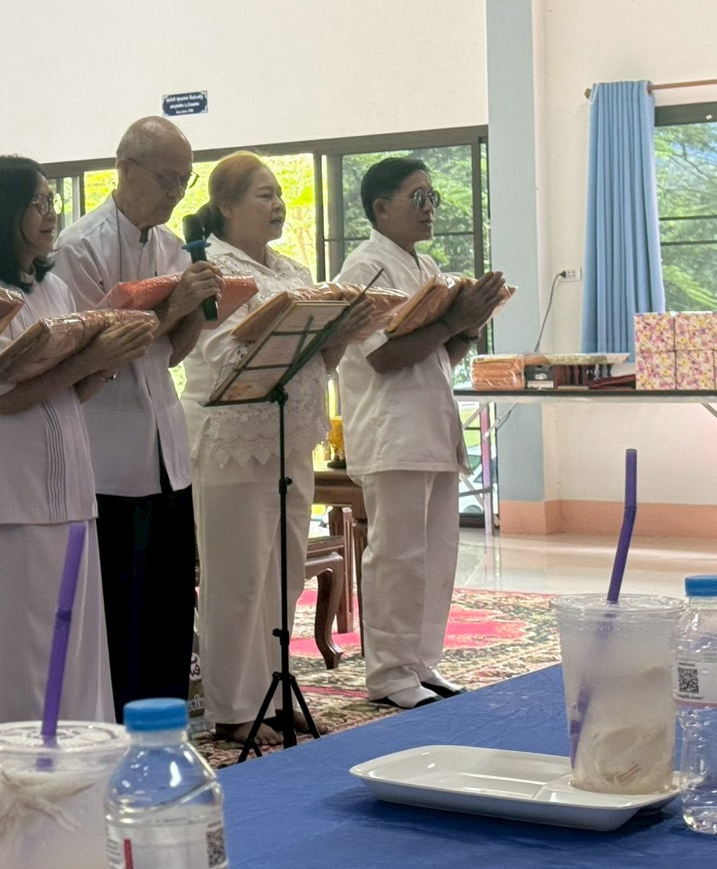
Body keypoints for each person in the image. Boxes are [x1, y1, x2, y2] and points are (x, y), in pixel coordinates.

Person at [0, 156, 152, 725]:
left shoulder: (54, 286)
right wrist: (90, 358)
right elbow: (5, 396)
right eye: (37, 203)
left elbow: (66, 393)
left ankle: (84, 756)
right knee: (24, 650)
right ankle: (25, 767)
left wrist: (108, 360)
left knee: (79, 640)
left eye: (51, 202)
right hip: (12, 494)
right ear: (3, 212)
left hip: (68, 489)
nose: (50, 214)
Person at [180, 153, 369, 743]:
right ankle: (233, 706)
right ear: (227, 206)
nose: (277, 205)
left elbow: (315, 356)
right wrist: (271, 336)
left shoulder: (289, 267)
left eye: (278, 195)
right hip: (233, 436)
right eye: (263, 195)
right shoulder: (210, 266)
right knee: (237, 576)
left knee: (282, 571)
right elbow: (212, 357)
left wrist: (339, 332)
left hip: (290, 434)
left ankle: (274, 684)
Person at [50, 116, 223, 718]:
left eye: (184, 180)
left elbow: (170, 353)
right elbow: (85, 354)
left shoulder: (172, 246)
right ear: (125, 168)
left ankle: (167, 723)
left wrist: (195, 311)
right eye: (166, 178)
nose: (176, 192)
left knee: (174, 600)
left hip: (165, 447)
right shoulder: (81, 246)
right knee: (123, 602)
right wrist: (168, 307)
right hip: (109, 456)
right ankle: (121, 724)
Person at [335, 156, 505, 710]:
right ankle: (388, 673)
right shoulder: (362, 270)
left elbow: (440, 354)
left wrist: (470, 323)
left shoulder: (424, 265)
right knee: (398, 555)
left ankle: (422, 663)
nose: (430, 209)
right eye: (419, 198)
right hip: (391, 432)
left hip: (431, 424)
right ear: (381, 209)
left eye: (433, 197)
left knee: (437, 553)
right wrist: (451, 322)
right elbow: (384, 358)